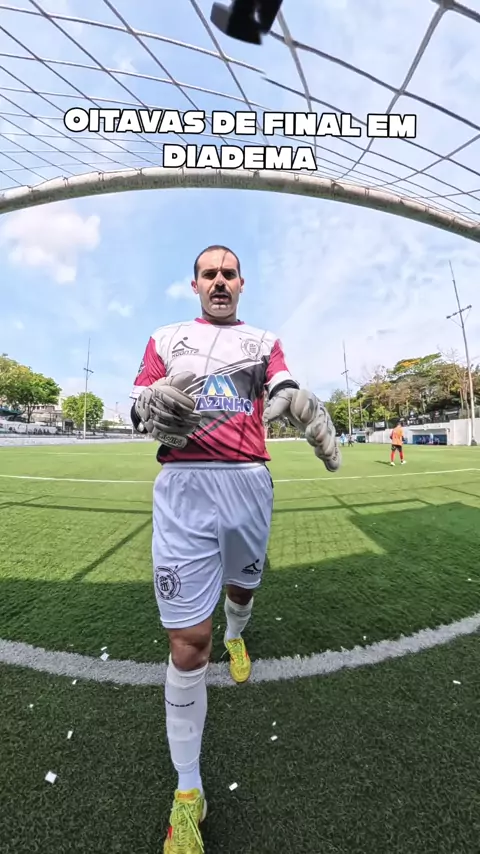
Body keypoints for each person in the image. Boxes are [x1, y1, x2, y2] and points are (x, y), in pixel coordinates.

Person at [130, 245, 341, 854]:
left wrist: (298, 400)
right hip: (183, 485)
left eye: (228, 273)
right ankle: (188, 791)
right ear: (194, 283)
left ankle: (237, 634)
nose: (219, 281)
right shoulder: (165, 337)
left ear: (241, 284)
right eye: (209, 274)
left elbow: (283, 384)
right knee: (186, 644)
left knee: (242, 591)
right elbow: (138, 403)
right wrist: (149, 406)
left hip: (248, 480)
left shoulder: (263, 340)